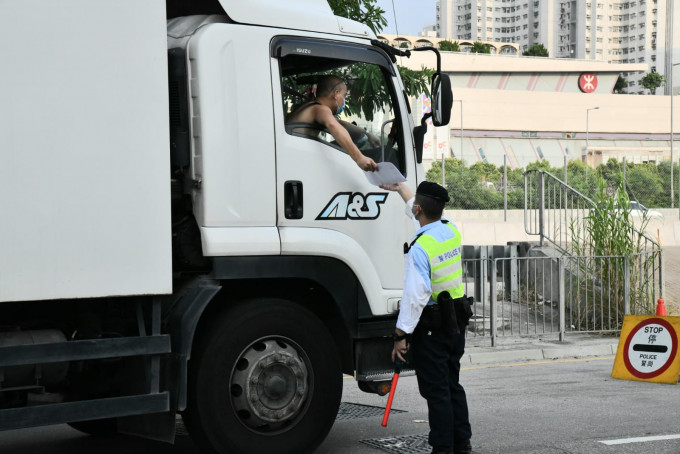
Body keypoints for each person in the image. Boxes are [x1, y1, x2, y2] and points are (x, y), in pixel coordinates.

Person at [386, 181, 473, 454]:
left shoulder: (419, 250)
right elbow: (424, 218)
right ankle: (462, 443)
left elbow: (415, 297)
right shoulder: (450, 230)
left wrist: (401, 336)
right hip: (456, 322)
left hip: (433, 326)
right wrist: (402, 188)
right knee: (452, 384)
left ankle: (442, 447)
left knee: (437, 392)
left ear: (419, 208)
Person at [285, 75, 378, 172]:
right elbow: (333, 125)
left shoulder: (308, 107)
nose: (344, 100)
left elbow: (340, 124)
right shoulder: (320, 109)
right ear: (336, 94)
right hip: (296, 164)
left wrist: (367, 134)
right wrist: (359, 158)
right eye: (344, 95)